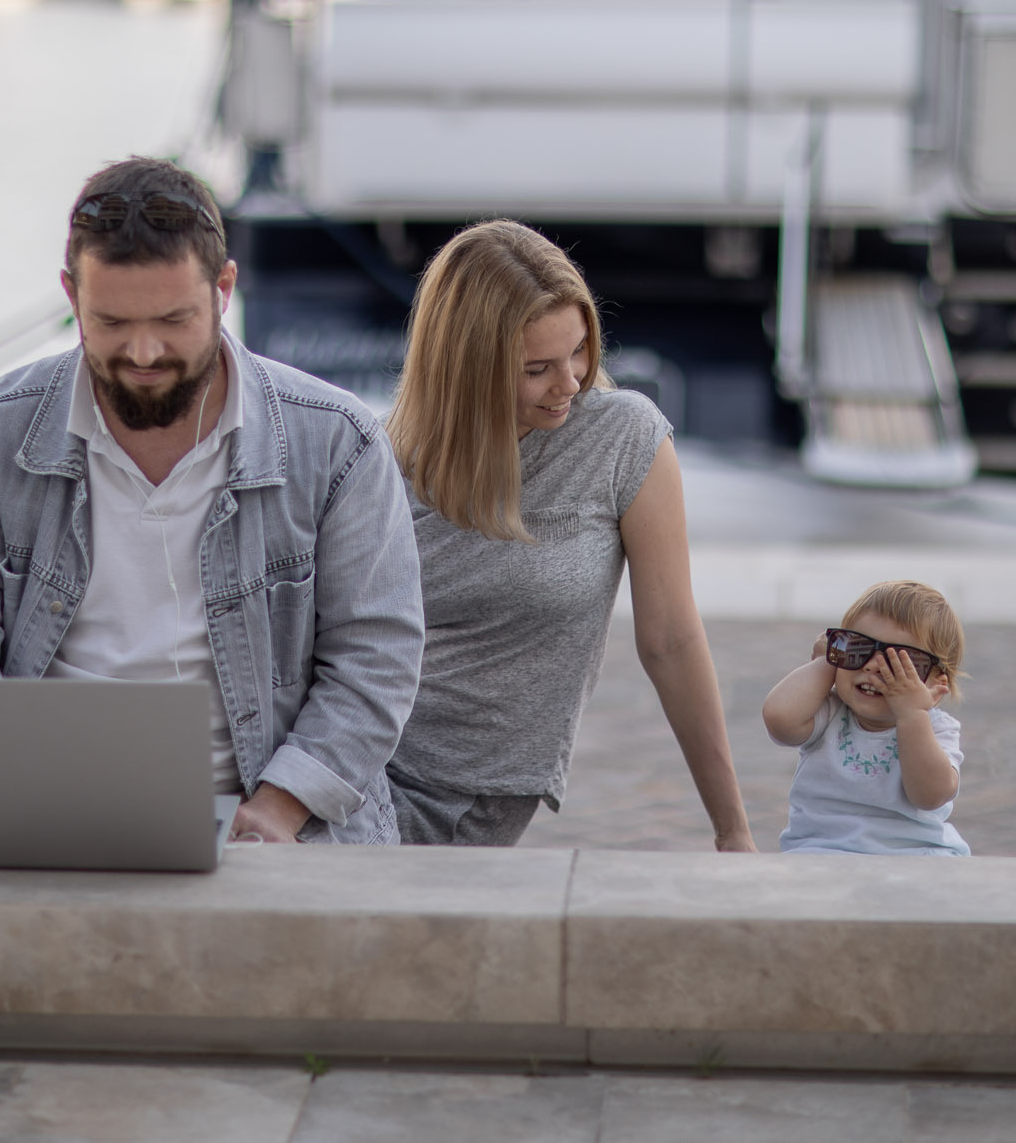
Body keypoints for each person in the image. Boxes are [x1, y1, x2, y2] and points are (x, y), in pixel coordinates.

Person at [0, 157, 423, 845]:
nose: (143, 351)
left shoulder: (338, 442)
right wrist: (5, 786)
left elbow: (378, 654)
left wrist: (280, 806)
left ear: (224, 289)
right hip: (40, 808)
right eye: (111, 322)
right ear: (70, 296)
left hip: (283, 815)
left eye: (173, 319)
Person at [382, 220, 756, 850]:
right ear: (467, 366)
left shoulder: (623, 438)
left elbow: (670, 640)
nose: (571, 383)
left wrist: (733, 829)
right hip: (358, 774)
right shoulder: (385, 458)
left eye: (579, 351)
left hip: (470, 799)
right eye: (537, 369)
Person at [762, 580, 970, 855]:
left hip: (915, 857)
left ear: (934, 687)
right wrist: (827, 662)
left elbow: (930, 795)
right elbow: (779, 721)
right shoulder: (830, 712)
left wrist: (912, 714)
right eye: (857, 648)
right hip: (821, 851)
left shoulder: (937, 728)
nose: (873, 666)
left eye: (900, 663)